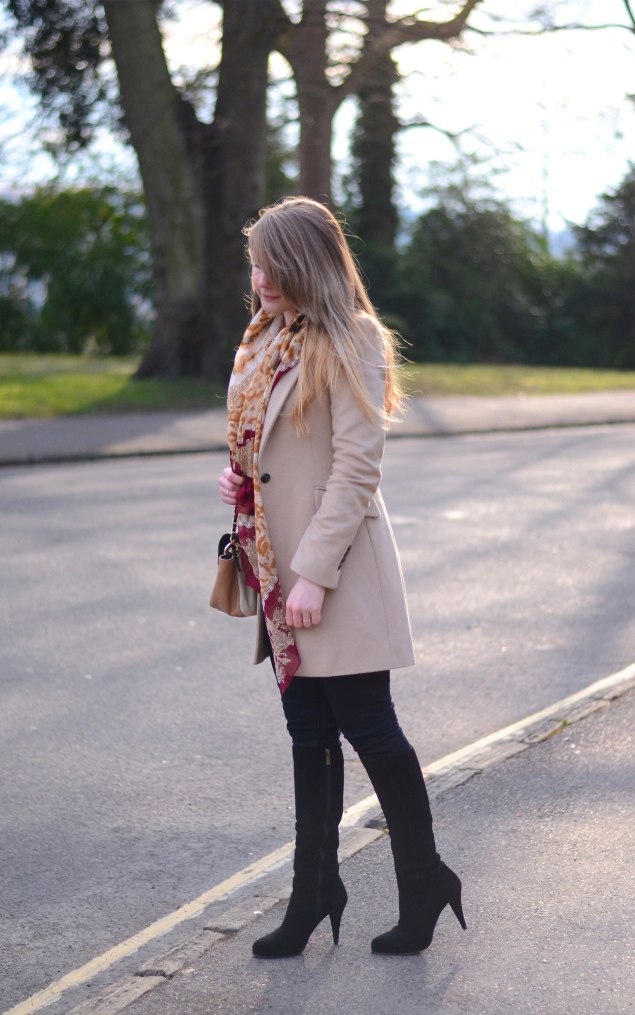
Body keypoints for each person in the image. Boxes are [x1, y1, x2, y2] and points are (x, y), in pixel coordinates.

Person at [218, 197, 466, 958]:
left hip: (332, 573)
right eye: (253, 261)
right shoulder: (266, 339)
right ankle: (315, 892)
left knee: (370, 731)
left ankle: (423, 882)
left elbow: (357, 466)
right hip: (273, 565)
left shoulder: (352, 337)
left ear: (305, 262)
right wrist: (242, 486)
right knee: (307, 735)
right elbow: (269, 448)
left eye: (269, 262)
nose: (257, 276)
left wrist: (312, 576)